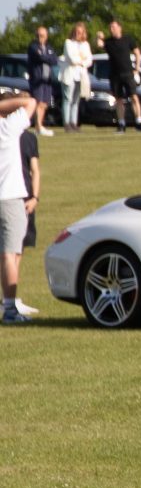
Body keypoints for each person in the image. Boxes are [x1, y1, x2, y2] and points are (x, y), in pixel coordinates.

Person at [0, 89, 39, 323]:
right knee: (10, 255)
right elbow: (31, 102)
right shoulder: (7, 129)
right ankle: (10, 309)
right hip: (10, 197)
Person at [101, 18, 141, 132]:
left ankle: (139, 122)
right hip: (115, 75)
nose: (112, 29)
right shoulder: (108, 42)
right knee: (119, 100)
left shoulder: (127, 39)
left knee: (134, 97)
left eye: (114, 27)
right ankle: (121, 123)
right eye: (110, 28)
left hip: (128, 73)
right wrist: (99, 37)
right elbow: (99, 45)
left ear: (119, 28)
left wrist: (137, 68)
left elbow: (137, 53)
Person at [23, 27, 58, 136]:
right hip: (37, 79)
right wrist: (46, 57)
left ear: (46, 36)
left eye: (42, 35)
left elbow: (54, 60)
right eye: (38, 35)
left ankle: (40, 125)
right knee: (38, 102)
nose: (40, 38)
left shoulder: (49, 47)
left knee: (44, 103)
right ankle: (38, 126)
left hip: (47, 79)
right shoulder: (33, 47)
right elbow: (40, 58)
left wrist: (46, 56)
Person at [60, 22, 92, 131]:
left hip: (81, 75)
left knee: (76, 100)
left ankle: (74, 122)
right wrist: (81, 60)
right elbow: (71, 58)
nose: (78, 34)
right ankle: (67, 123)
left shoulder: (85, 44)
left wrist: (81, 62)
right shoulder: (68, 43)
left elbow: (89, 60)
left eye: (81, 32)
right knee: (67, 99)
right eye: (77, 32)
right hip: (69, 74)